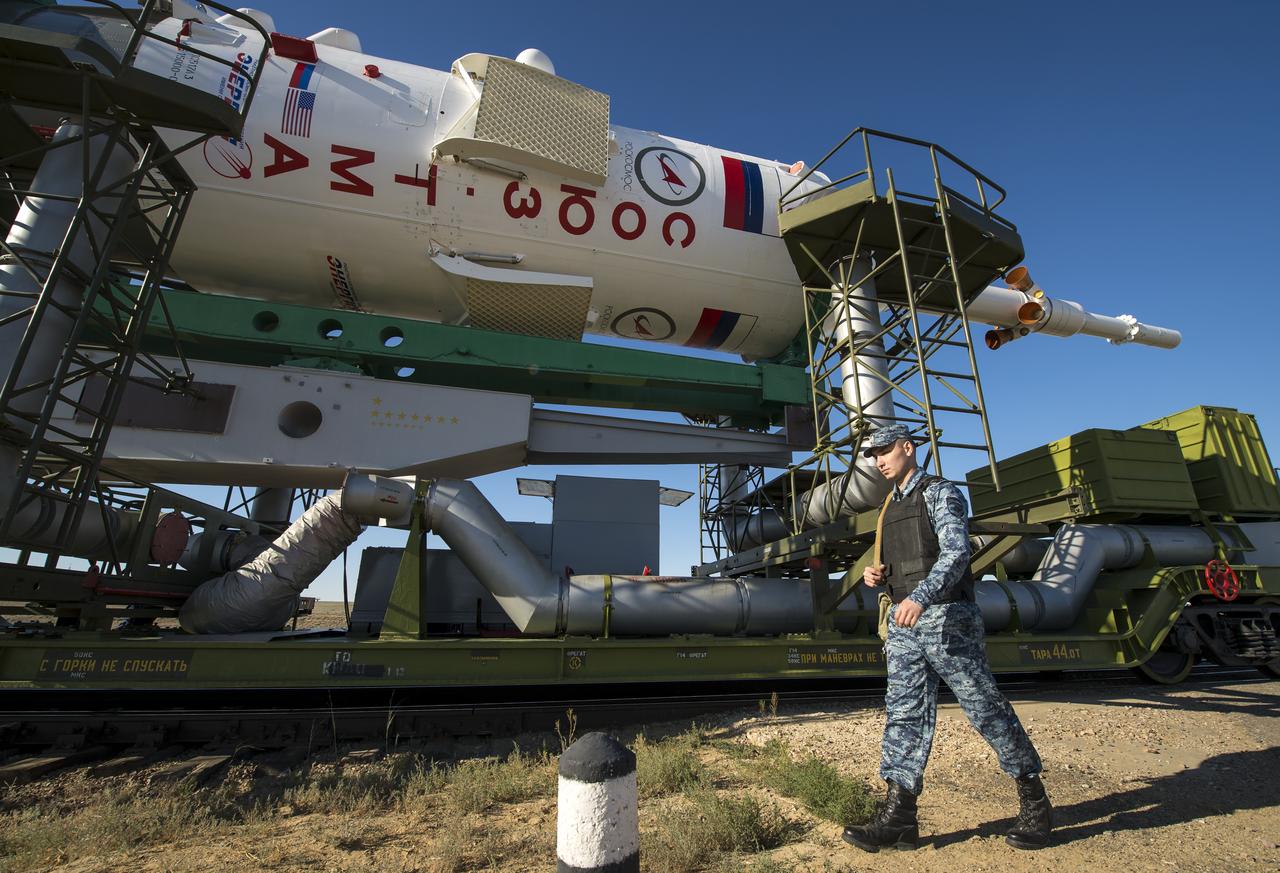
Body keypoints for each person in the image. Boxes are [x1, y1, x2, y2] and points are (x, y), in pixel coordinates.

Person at [841, 424, 1052, 853]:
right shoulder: (888, 507)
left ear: (907, 447)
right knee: (904, 715)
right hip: (904, 623)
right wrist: (876, 576)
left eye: (884, 451)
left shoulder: (941, 492)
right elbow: (899, 562)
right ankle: (899, 819)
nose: (879, 460)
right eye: (873, 455)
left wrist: (919, 596)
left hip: (946, 619)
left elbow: (957, 554)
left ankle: (1035, 802)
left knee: (984, 707)